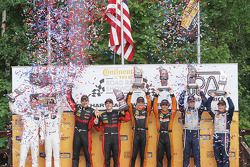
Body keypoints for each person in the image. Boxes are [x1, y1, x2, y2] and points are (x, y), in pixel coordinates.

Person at [9, 95, 44, 167]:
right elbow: (14, 110)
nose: (34, 103)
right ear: (30, 102)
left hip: (35, 138)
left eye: (35, 102)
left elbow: (42, 125)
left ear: (37, 102)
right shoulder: (25, 111)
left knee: (35, 159)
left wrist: (42, 137)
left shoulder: (40, 113)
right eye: (32, 102)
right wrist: (11, 102)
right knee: (22, 157)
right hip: (25, 137)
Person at [94, 98, 130, 167]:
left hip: (116, 138)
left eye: (110, 103)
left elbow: (127, 119)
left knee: (116, 159)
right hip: (106, 139)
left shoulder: (117, 113)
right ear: (105, 105)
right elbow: (98, 129)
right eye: (107, 103)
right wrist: (96, 123)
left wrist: (125, 111)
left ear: (112, 105)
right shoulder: (102, 115)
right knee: (106, 159)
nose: (108, 104)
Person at [66, 85, 95, 167]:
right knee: (75, 156)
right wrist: (69, 90)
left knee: (87, 156)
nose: (84, 102)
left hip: (85, 135)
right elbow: (69, 100)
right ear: (81, 101)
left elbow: (97, 124)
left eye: (86, 100)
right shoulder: (77, 108)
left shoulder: (92, 111)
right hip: (77, 134)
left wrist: (97, 120)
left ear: (88, 101)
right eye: (83, 100)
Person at [178, 88, 207, 167]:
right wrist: (184, 91)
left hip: (195, 134)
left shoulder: (198, 110)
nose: (191, 103)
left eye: (193, 102)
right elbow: (180, 103)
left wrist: (200, 92)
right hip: (187, 134)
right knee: (186, 155)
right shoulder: (184, 110)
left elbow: (205, 102)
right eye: (190, 102)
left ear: (195, 102)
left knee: (197, 155)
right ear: (187, 102)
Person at [206, 92, 235, 167]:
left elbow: (232, 107)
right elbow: (207, 106)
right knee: (218, 158)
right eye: (219, 105)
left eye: (222, 105)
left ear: (225, 107)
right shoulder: (215, 114)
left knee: (225, 158)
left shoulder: (228, 115)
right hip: (216, 136)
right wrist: (212, 96)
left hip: (224, 137)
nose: (220, 107)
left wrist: (227, 97)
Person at [127, 88, 152, 167]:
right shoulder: (133, 111)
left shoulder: (147, 111)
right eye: (139, 103)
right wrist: (130, 92)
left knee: (142, 156)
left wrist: (146, 92)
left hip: (144, 134)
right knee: (133, 155)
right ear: (136, 103)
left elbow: (150, 103)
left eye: (142, 103)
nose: (140, 104)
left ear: (144, 103)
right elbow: (128, 102)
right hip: (136, 134)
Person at [153, 88, 177, 167]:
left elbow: (174, 106)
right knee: (159, 158)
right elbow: (154, 106)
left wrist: (172, 95)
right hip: (160, 137)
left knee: (169, 157)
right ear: (161, 106)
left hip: (168, 137)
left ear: (168, 105)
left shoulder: (171, 114)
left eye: (166, 105)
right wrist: (156, 95)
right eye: (162, 105)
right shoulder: (158, 113)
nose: (164, 106)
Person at [42, 97, 69, 167]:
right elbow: (42, 126)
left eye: (52, 103)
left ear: (55, 104)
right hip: (47, 136)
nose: (51, 105)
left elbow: (63, 104)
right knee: (48, 157)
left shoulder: (58, 112)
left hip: (55, 135)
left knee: (56, 157)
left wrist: (62, 99)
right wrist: (42, 137)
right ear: (47, 104)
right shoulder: (44, 114)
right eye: (49, 103)